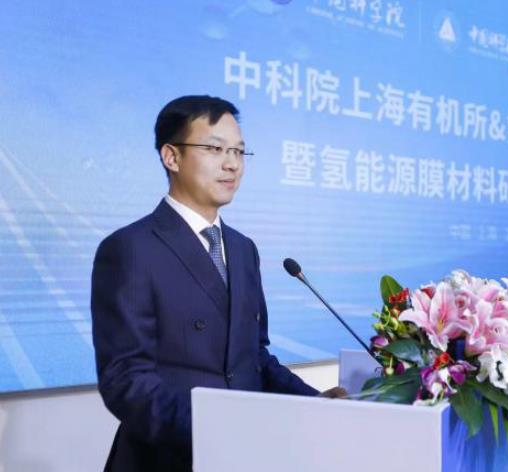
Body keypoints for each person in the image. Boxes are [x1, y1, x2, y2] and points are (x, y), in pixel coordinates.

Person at [91, 95, 345, 471]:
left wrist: (315, 403)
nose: (232, 164)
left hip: (243, 457)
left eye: (239, 152)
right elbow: (126, 381)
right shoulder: (131, 248)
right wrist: (218, 428)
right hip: (166, 459)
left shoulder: (243, 249)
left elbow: (253, 358)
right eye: (214, 149)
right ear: (171, 156)